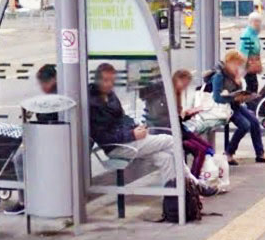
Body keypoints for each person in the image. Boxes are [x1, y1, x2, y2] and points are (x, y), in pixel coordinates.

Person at [89, 63, 216, 195]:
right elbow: (103, 137)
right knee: (171, 141)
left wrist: (135, 126)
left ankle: (172, 203)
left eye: (112, 81)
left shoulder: (110, 95)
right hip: (118, 146)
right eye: (105, 80)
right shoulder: (93, 103)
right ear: (97, 79)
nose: (109, 84)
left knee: (166, 158)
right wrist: (132, 134)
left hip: (129, 139)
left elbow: (122, 117)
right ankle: (195, 185)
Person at [3, 64, 58, 216]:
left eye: (44, 83)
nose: (42, 87)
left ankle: (24, 201)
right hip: (56, 140)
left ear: (52, 80)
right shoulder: (58, 92)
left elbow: (48, 123)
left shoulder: (56, 96)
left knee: (19, 158)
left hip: (55, 142)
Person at [212, 50, 265, 166]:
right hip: (225, 107)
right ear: (228, 62)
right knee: (245, 125)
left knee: (254, 122)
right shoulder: (219, 76)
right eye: (235, 64)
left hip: (236, 105)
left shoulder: (235, 76)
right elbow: (216, 98)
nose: (237, 67)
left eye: (239, 64)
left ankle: (260, 153)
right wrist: (232, 98)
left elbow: (238, 92)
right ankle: (229, 153)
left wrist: (241, 88)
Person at [172, 69, 215, 179]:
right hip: (176, 135)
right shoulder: (170, 96)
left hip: (182, 131)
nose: (184, 87)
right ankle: (194, 182)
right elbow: (171, 120)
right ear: (178, 80)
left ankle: (198, 178)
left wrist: (188, 113)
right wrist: (185, 115)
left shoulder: (177, 95)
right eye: (184, 83)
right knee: (200, 151)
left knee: (207, 148)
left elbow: (178, 119)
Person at [239, 12, 264, 93]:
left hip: (252, 65)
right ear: (252, 22)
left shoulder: (253, 34)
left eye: (260, 21)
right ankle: (248, 104)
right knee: (252, 86)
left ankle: (249, 103)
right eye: (258, 21)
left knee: (253, 86)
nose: (259, 24)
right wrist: (243, 69)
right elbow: (244, 53)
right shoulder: (247, 35)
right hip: (248, 65)